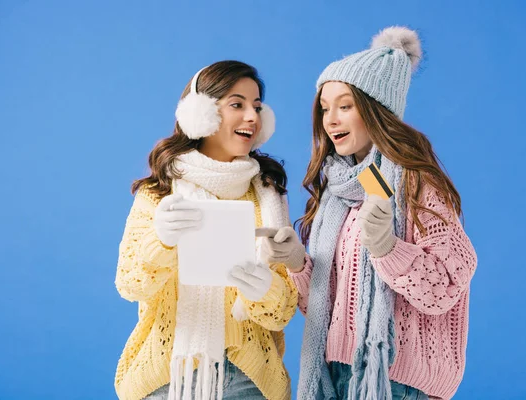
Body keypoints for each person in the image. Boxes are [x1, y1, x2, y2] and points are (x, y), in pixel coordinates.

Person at [259, 27, 477, 400]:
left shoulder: (417, 182)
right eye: (325, 108)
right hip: (339, 376)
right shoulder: (337, 194)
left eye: (345, 106)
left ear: (377, 110)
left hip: (396, 382)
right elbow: (327, 308)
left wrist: (389, 248)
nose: (330, 120)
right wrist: (298, 264)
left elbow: (446, 284)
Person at [114, 60, 298, 400]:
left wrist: (265, 288)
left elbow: (283, 309)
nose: (252, 117)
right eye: (237, 104)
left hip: (247, 376)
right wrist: (162, 242)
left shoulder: (268, 194)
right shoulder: (159, 191)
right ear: (201, 113)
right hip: (168, 375)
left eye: (257, 107)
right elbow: (130, 282)